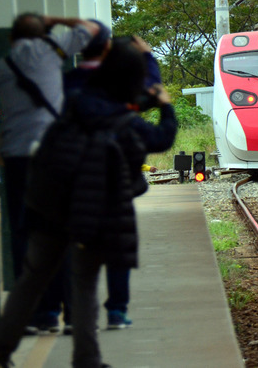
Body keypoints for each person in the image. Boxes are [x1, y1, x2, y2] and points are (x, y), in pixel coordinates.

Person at [0, 38, 178, 368]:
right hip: (95, 215)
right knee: (85, 286)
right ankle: (87, 359)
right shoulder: (127, 122)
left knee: (30, 283)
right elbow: (162, 139)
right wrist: (166, 105)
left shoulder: (71, 103)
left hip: (50, 208)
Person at [0, 13, 101, 332]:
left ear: (11, 39)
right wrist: (55, 18)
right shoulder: (53, 50)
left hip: (18, 159)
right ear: (42, 36)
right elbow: (93, 28)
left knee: (24, 235)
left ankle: (39, 314)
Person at [64, 31, 163, 330]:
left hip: (78, 183)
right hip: (116, 185)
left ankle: (75, 315)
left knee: (79, 252)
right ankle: (116, 311)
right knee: (117, 248)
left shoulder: (69, 83)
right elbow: (152, 91)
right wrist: (147, 56)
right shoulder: (119, 85)